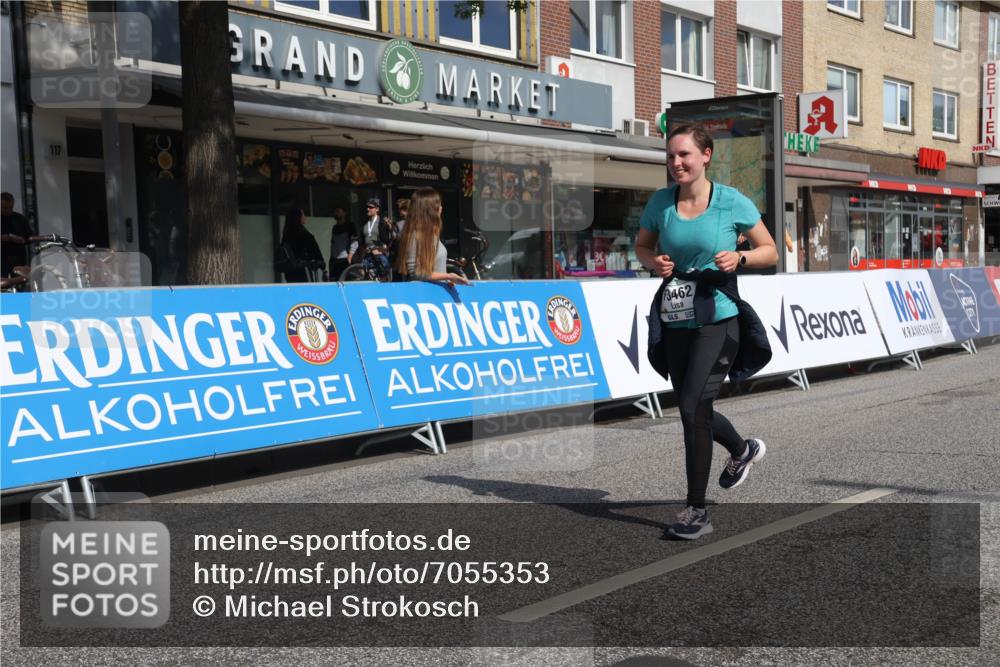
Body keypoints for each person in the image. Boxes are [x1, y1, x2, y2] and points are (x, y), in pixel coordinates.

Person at [635, 123, 777, 540]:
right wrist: (653, 263)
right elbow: (643, 246)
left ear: (706, 156)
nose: (676, 163)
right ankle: (741, 448)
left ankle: (695, 510)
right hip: (676, 317)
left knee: (692, 408)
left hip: (719, 317)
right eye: (671, 156)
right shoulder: (661, 203)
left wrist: (741, 258)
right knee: (690, 405)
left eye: (685, 155)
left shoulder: (731, 202)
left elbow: (770, 250)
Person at [394, 187, 469, 286]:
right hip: (423, 298)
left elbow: (435, 271)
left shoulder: (431, 234)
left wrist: (447, 281)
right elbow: (415, 273)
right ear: (431, 210)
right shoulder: (414, 236)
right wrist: (448, 276)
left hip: (437, 297)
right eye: (438, 205)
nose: (441, 208)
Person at [279, 207, 324, 283]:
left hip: (290, 272)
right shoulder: (305, 234)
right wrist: (321, 264)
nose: (304, 217)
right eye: (303, 215)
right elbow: (316, 253)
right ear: (298, 218)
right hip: (304, 271)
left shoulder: (286, 235)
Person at [358, 197, 396, 280]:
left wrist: (390, 227)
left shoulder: (382, 222)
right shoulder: (364, 223)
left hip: (379, 254)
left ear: (377, 209)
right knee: (366, 278)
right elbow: (361, 241)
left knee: (382, 279)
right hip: (367, 255)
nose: (368, 209)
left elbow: (391, 238)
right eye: (367, 207)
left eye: (371, 207)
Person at [1, 192, 33, 277]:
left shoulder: (20, 219)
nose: (8, 210)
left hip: (17, 259)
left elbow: (30, 237)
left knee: (19, 284)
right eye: (4, 208)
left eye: (10, 207)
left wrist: (22, 240)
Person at [328, 207, 357, 281]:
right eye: (335, 212)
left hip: (345, 259)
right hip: (335, 260)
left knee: (346, 281)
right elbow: (333, 243)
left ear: (344, 213)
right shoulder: (334, 228)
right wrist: (331, 259)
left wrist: (350, 256)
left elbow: (355, 242)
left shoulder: (350, 225)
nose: (336, 214)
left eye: (338, 211)